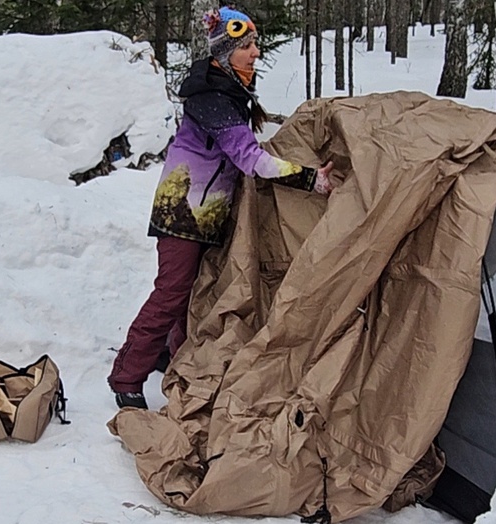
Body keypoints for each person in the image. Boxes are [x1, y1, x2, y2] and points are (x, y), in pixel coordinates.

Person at [108, 7, 334, 409]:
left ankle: (173, 356)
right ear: (225, 52)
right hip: (182, 211)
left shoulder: (229, 92)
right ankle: (126, 376)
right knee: (172, 293)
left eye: (255, 44)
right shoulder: (212, 97)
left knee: (193, 292)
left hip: (203, 212)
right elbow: (251, 160)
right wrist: (310, 179)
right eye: (246, 46)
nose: (255, 52)